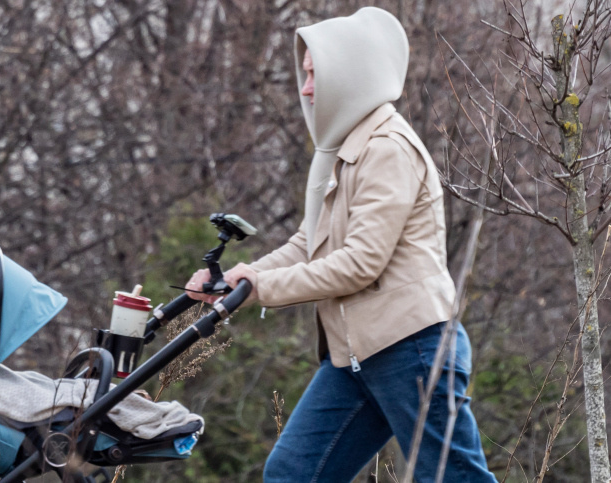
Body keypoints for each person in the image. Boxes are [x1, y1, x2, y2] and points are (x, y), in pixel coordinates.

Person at [185, 7, 497, 482]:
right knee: (293, 473)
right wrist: (233, 280)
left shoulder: (387, 148)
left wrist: (262, 285)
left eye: (315, 76)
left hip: (411, 349)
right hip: (355, 356)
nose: (305, 88)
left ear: (351, 74)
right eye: (305, 75)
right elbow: (310, 243)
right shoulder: (346, 150)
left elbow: (359, 265)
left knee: (455, 477)